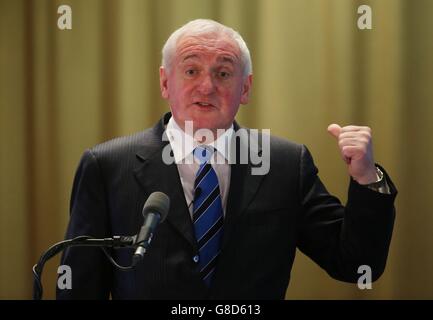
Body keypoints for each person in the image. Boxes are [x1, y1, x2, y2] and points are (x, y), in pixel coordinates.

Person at [57, 19, 397, 299]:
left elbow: (355, 263)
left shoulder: (284, 164)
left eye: (223, 73)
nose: (206, 87)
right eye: (191, 71)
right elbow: (79, 289)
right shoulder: (107, 165)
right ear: (165, 82)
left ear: (245, 88)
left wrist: (367, 178)